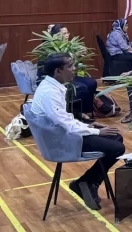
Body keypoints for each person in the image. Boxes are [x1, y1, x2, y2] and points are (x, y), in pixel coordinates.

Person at [29, 52, 125, 210]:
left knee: (116, 138)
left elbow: (64, 118)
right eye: (70, 66)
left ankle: (88, 182)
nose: (74, 69)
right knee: (118, 147)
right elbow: (66, 124)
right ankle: (86, 182)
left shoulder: (51, 85)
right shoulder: (50, 93)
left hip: (63, 134)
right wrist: (96, 132)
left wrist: (90, 125)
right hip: (62, 141)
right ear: (57, 72)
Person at [46, 25, 98, 121]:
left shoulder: (71, 46)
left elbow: (72, 66)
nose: (67, 36)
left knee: (92, 83)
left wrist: (79, 57)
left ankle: (86, 111)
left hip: (70, 75)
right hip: (58, 77)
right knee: (82, 88)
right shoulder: (51, 47)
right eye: (64, 33)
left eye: (67, 33)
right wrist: (75, 55)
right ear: (57, 35)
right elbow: (60, 64)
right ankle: (74, 112)